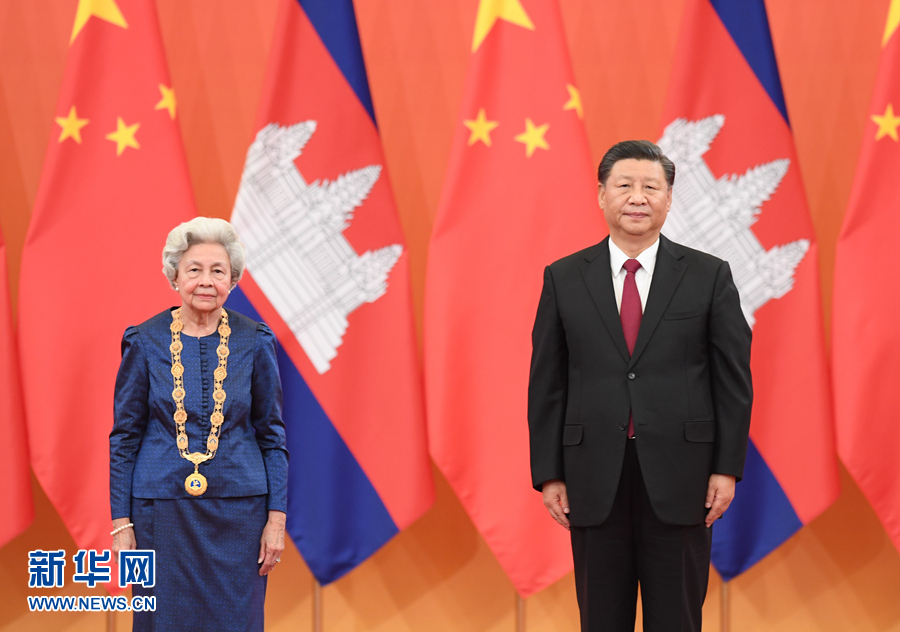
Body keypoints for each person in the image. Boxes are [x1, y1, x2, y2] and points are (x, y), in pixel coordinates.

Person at [528, 140, 752, 632]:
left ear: (668, 198)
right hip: (592, 476)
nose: (637, 197)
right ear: (601, 195)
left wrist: (726, 468)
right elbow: (547, 383)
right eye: (624, 185)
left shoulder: (708, 275)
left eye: (651, 187)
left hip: (684, 476)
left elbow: (733, 382)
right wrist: (549, 473)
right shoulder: (564, 278)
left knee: (676, 619)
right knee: (601, 619)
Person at [109, 217, 289, 632]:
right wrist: (122, 524)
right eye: (194, 269)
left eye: (218, 271)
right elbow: (125, 438)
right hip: (160, 514)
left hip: (240, 515)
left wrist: (276, 520)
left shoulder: (255, 341)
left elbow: (272, 435)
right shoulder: (144, 340)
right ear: (174, 276)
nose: (206, 281)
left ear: (233, 280)